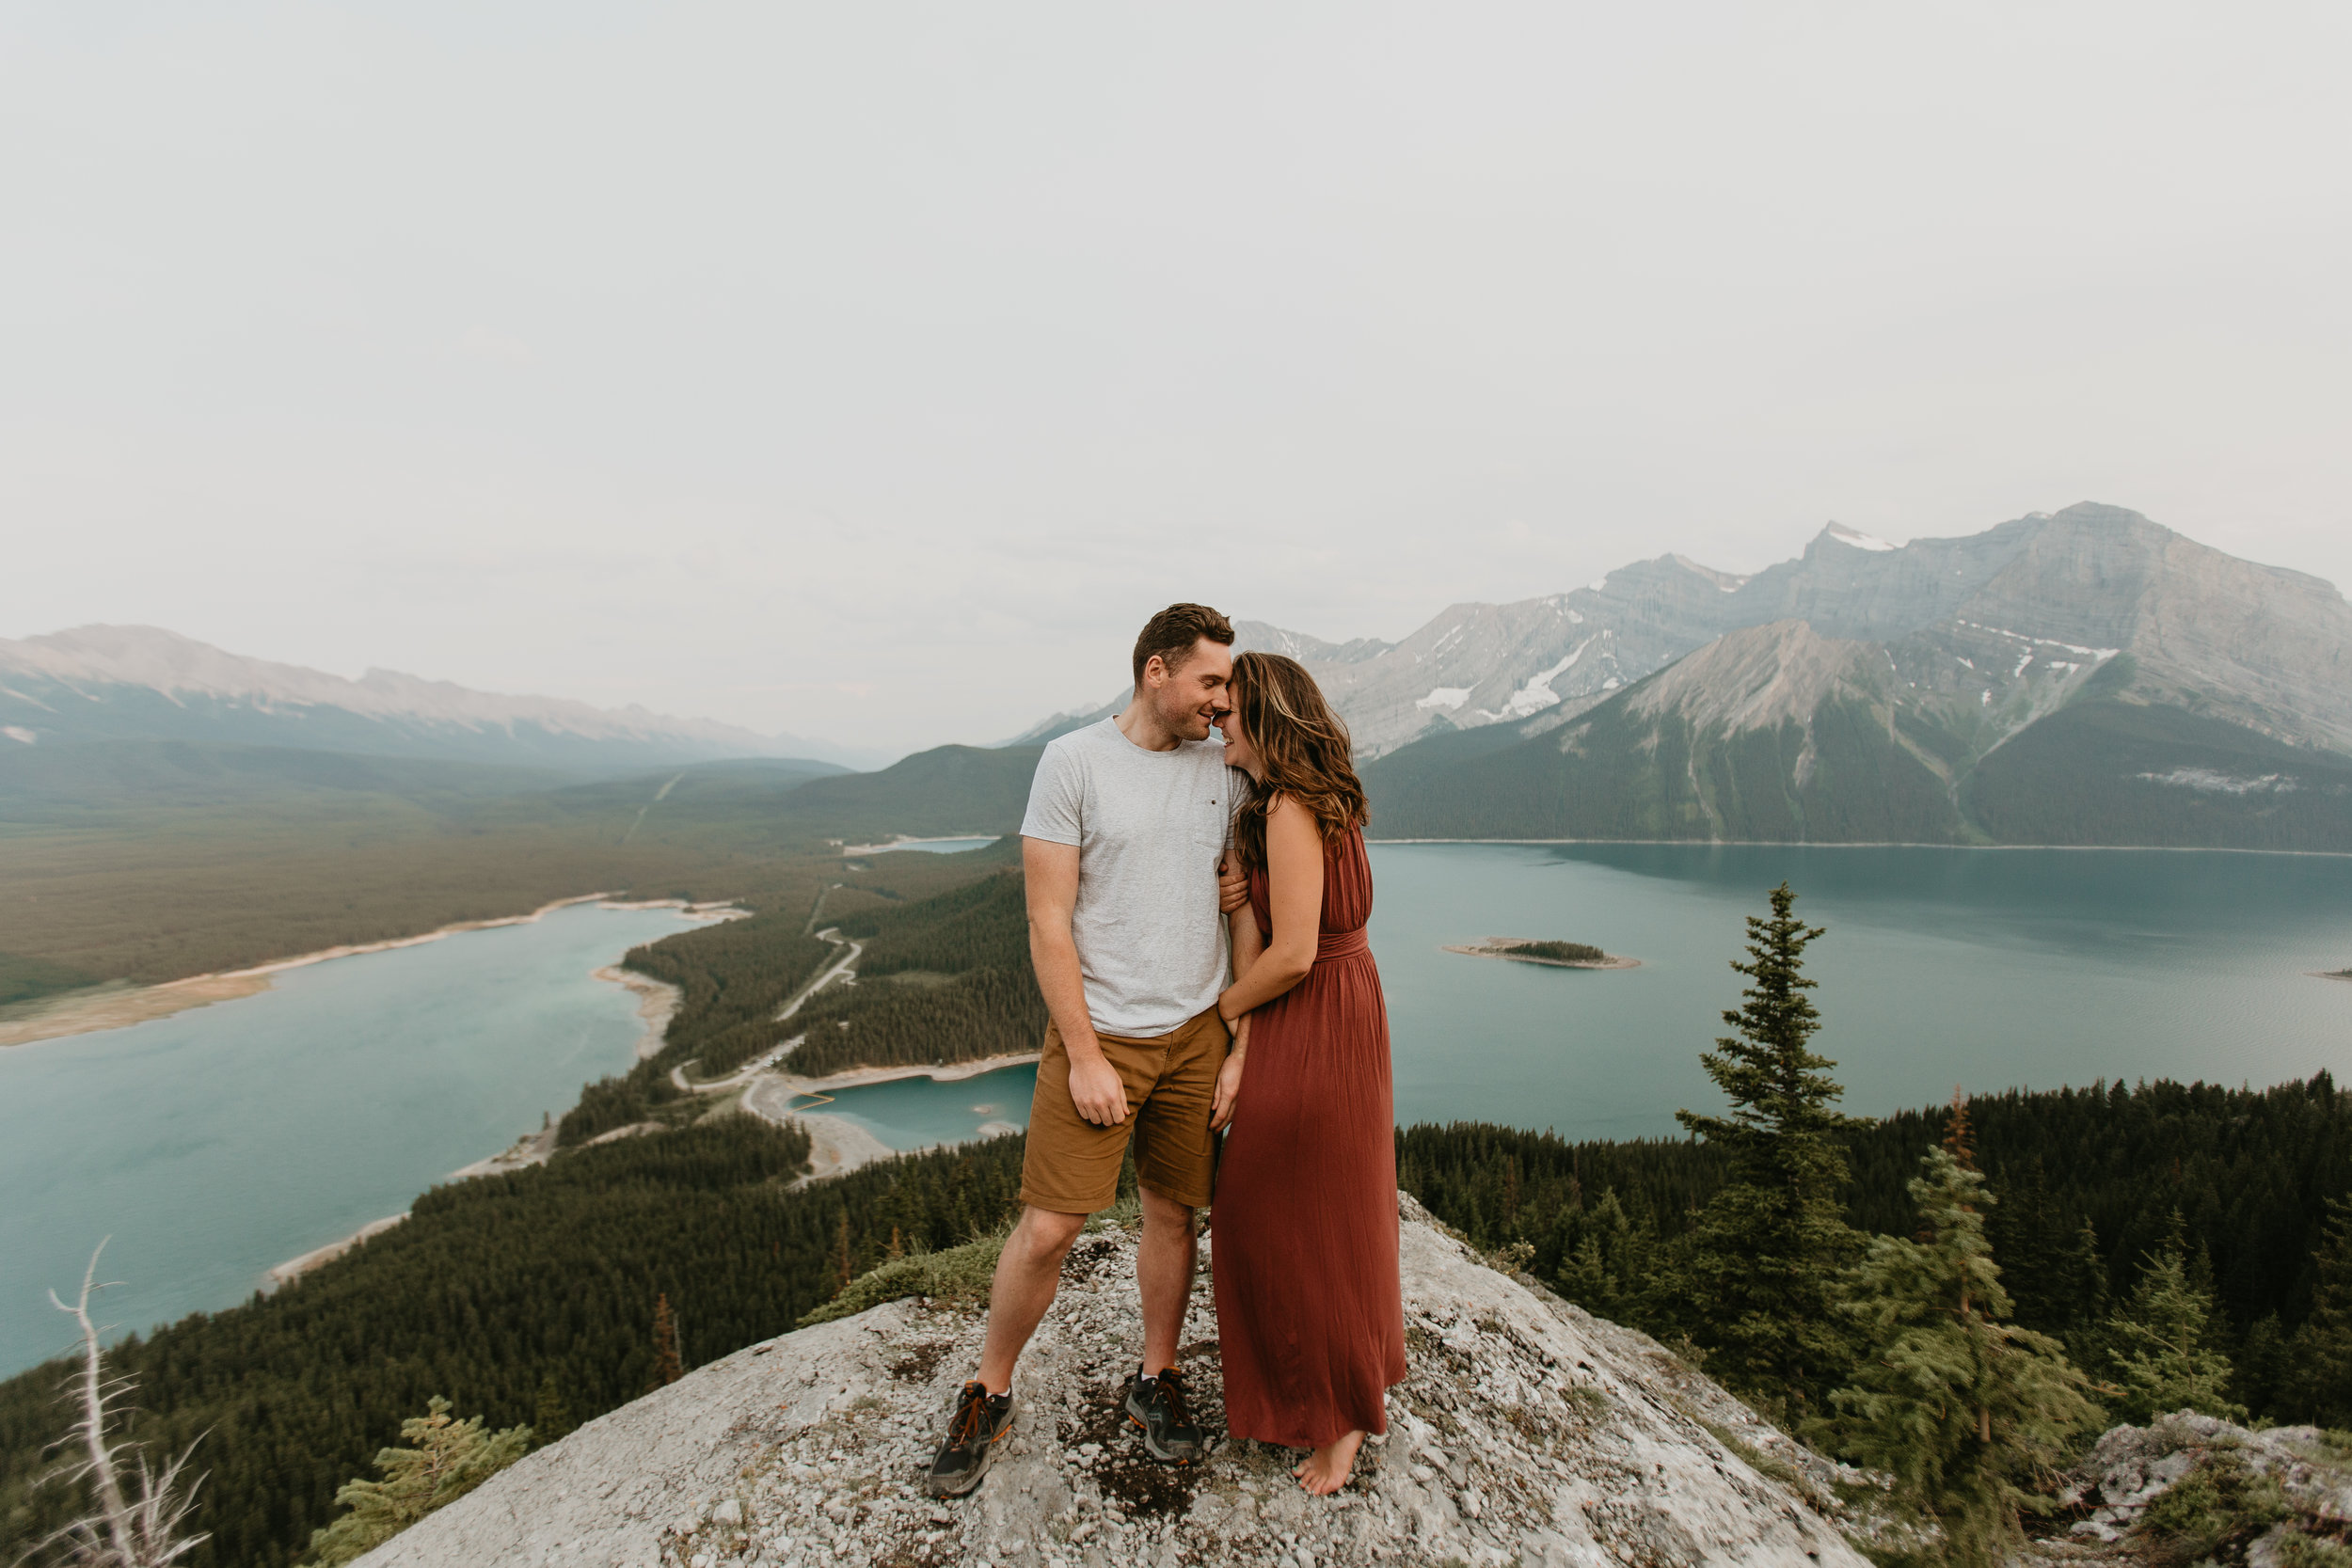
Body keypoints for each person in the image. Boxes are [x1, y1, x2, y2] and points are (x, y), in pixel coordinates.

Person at [926, 602, 1251, 1498]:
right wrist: (1086, 1054)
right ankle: (987, 1389)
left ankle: (1156, 1376)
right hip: (1100, 1033)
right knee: (1053, 1224)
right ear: (1157, 670)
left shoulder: (1223, 771)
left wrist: (1238, 1044)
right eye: (1210, 681)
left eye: (1227, 684)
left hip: (1196, 1032)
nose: (1223, 701)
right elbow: (1047, 920)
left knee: (1173, 1212)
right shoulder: (1073, 761)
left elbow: (1248, 902)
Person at [1206, 650, 1406, 1496]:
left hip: (1315, 1007)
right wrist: (1244, 901)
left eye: (1230, 709)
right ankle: (1337, 1388)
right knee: (1340, 1205)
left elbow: (1292, 954)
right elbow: (1282, 930)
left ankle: (1339, 1418)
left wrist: (1223, 1015)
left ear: (1267, 718)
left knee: (1290, 1211)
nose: (1218, 719)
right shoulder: (1310, 802)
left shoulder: (1287, 807)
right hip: (1346, 1002)